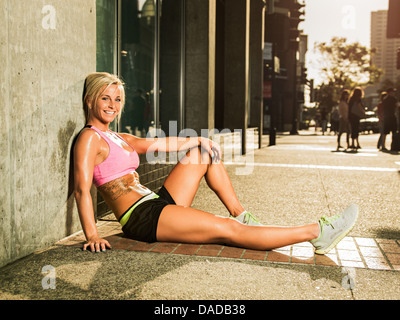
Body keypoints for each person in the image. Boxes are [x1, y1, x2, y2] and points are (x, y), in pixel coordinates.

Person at [73, 72, 358, 255]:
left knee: (205, 154)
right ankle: (317, 233)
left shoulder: (117, 136)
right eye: (105, 98)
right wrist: (93, 234)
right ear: (90, 101)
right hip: (141, 218)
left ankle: (242, 214)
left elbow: (155, 144)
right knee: (226, 230)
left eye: (118, 99)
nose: (113, 104)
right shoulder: (90, 139)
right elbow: (82, 190)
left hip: (155, 202)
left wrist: (198, 140)